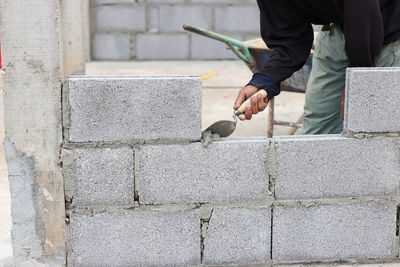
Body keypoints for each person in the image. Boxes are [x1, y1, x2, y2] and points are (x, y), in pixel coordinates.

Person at [234, 0, 400, 135]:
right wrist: (264, 82)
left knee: (375, 132)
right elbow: (289, 40)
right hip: (339, 28)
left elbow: (364, 12)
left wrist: (358, 81)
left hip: (390, 30)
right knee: (316, 133)